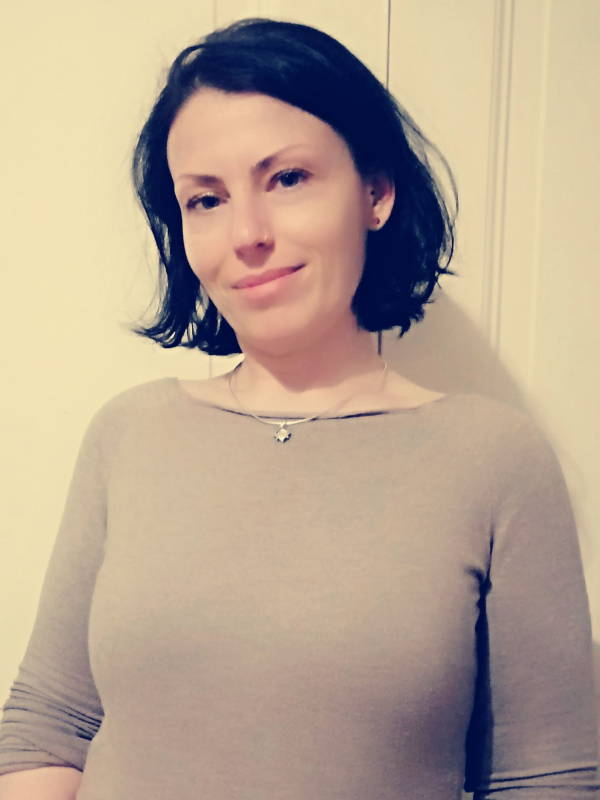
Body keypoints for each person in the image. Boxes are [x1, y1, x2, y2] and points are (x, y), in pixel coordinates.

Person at [0, 16, 597, 800]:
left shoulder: (494, 460)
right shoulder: (129, 434)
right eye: (205, 199)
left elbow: (548, 778)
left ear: (375, 193)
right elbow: (48, 724)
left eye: (287, 179)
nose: (246, 234)